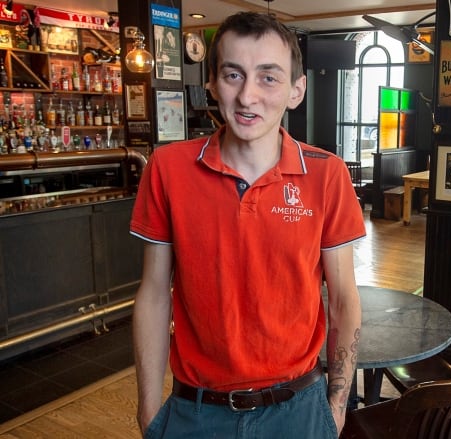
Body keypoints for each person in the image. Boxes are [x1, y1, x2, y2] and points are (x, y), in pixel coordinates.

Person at [130, 12, 365, 438]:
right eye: (233, 74)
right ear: (211, 84)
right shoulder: (168, 168)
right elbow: (153, 294)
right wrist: (148, 411)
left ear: (297, 91)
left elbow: (344, 300)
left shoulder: (327, 174)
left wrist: (337, 403)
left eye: (268, 77)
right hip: (195, 410)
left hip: (298, 408)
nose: (247, 96)